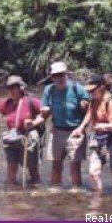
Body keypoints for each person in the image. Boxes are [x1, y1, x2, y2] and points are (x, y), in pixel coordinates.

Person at [32, 61, 90, 192]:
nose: (59, 78)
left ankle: (76, 190)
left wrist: (82, 126)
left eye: (61, 75)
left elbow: (90, 111)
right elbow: (44, 114)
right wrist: (32, 124)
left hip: (75, 131)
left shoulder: (77, 88)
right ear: (52, 77)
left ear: (67, 74)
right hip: (57, 130)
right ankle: (56, 190)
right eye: (55, 76)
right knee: (55, 164)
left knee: (75, 165)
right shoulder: (49, 90)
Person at [72, 74, 112, 193]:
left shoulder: (111, 103)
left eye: (92, 90)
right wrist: (81, 127)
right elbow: (90, 114)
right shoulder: (94, 101)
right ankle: (99, 200)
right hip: (99, 141)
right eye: (89, 91)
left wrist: (103, 126)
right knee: (93, 173)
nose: (90, 93)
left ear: (101, 88)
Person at [0, 75, 43, 187]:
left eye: (14, 87)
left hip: (28, 135)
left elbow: (45, 113)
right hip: (12, 136)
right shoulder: (7, 103)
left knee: (32, 167)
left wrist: (33, 123)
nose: (11, 90)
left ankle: (36, 189)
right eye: (9, 88)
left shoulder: (31, 101)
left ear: (21, 88)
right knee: (11, 167)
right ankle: (12, 193)